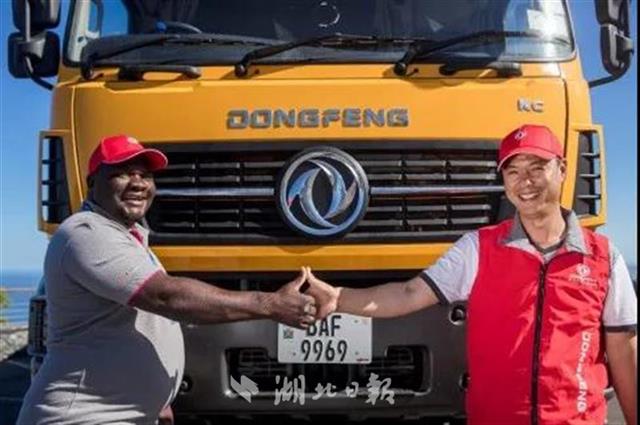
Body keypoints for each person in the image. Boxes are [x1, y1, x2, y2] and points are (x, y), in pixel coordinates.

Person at [305, 124, 637, 425]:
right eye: (513, 171)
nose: (525, 181)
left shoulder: (603, 257)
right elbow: (409, 294)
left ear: (562, 170)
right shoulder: (477, 248)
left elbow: (623, 349)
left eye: (537, 167)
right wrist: (339, 298)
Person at [17, 135, 319, 424]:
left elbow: (140, 321)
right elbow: (165, 298)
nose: (138, 183)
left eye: (146, 175)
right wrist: (269, 304)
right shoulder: (86, 233)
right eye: (123, 173)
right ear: (92, 182)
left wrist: (157, 399)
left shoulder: (130, 240)